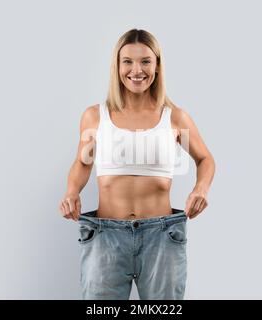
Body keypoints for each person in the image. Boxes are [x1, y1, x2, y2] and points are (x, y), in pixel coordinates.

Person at [59, 29, 216, 300]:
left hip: (162, 236)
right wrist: (72, 192)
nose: (136, 70)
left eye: (145, 61)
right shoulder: (95, 116)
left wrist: (200, 189)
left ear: (157, 65)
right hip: (106, 235)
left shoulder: (175, 118)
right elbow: (82, 163)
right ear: (117, 66)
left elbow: (205, 159)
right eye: (128, 61)